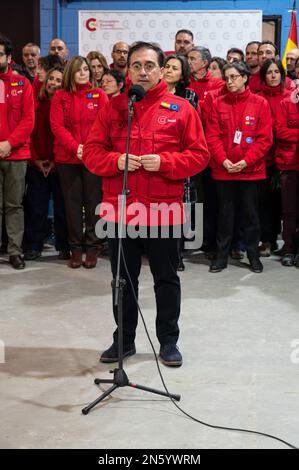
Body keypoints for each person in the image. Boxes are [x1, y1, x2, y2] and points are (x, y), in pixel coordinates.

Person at [83, 41, 210, 367]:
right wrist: (116, 160)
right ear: (128, 69)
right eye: (136, 65)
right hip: (120, 211)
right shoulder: (112, 108)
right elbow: (93, 154)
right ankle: (123, 340)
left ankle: (168, 341)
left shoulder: (182, 109)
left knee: (166, 279)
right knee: (121, 280)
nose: (142, 70)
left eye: (149, 65)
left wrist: (165, 163)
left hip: (163, 212)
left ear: (162, 69)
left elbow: (199, 156)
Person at [205, 61, 273, 274]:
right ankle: (222, 257)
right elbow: (212, 135)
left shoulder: (259, 103)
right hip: (224, 170)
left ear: (244, 78)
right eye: (227, 77)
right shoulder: (218, 103)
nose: (230, 81)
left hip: (250, 172)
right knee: (225, 215)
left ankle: (253, 256)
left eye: (234, 77)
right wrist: (224, 160)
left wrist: (246, 161)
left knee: (251, 215)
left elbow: (264, 138)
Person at [50, 56, 108, 268]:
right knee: (72, 205)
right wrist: (77, 148)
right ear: (70, 73)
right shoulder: (60, 96)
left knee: (93, 203)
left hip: (93, 157)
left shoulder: (100, 95)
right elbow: (57, 127)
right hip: (68, 158)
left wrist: (89, 148)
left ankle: (92, 248)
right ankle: (75, 248)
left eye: (86, 69)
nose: (84, 73)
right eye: (79, 70)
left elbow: (104, 125)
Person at [23, 66, 69, 261]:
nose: (54, 83)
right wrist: (35, 160)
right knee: (37, 208)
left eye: (59, 80)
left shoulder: (66, 105)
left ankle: (64, 246)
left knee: (62, 208)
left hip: (59, 165)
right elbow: (29, 136)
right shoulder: (35, 104)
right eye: (51, 79)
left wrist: (56, 162)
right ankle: (34, 245)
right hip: (37, 165)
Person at [0, 34, 35, 269]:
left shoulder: (22, 84)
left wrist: (9, 143)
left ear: (8, 57)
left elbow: (28, 119)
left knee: (14, 205)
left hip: (16, 154)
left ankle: (14, 251)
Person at [163, 54, 198, 270]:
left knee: (181, 208)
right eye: (166, 66)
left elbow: (191, 129)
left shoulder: (189, 96)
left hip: (181, 159)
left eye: (174, 68)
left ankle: (178, 253)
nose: (168, 70)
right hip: (158, 159)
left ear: (182, 74)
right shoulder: (152, 94)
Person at [258, 59, 291, 256]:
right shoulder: (257, 98)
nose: (272, 76)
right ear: (263, 76)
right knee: (265, 202)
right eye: (269, 72)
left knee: (283, 203)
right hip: (264, 158)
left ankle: (283, 239)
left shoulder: (290, 97)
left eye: (276, 72)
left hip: (286, 158)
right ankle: (267, 240)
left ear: (282, 75)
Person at [274, 88, 299, 267]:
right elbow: (280, 132)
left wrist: (293, 134)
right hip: (289, 165)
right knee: (289, 211)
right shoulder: (286, 103)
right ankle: (289, 248)